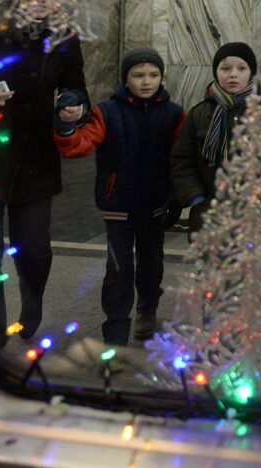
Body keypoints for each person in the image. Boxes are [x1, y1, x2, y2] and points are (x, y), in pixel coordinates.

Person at [0, 0, 89, 343]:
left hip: (35, 158)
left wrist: (73, 104)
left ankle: (32, 300)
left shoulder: (65, 39)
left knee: (34, 251)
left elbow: (78, 87)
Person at [53, 48, 184, 345]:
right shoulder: (106, 111)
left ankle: (147, 310)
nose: (146, 81)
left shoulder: (174, 114)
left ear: (162, 77)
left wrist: (175, 195)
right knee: (118, 268)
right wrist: (65, 125)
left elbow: (181, 158)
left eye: (153, 75)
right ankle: (115, 328)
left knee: (151, 265)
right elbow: (79, 145)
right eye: (138, 75)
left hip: (155, 205)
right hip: (119, 206)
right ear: (126, 78)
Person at [170, 42, 261, 237]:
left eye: (241, 68)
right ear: (216, 72)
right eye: (225, 68)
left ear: (251, 73)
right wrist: (197, 198)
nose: (233, 74)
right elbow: (182, 160)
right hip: (208, 213)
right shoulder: (199, 114)